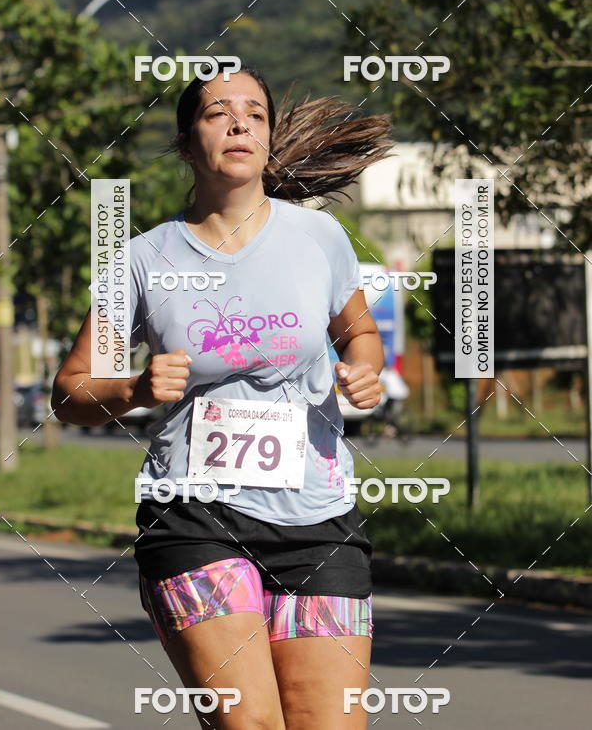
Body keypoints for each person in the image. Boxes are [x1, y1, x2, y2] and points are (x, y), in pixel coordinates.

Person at [52, 64, 392, 729]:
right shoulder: (142, 260)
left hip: (317, 517)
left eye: (255, 114)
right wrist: (133, 388)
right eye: (217, 112)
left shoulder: (319, 239)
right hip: (194, 515)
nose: (239, 123)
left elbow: (360, 333)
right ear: (186, 144)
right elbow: (70, 392)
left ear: (267, 137)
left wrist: (365, 368)